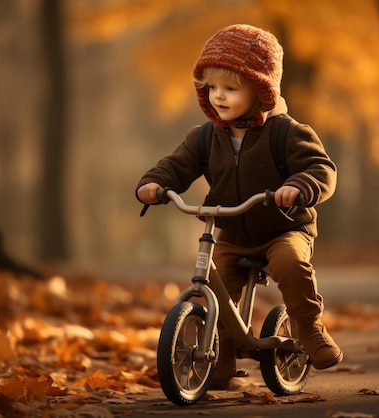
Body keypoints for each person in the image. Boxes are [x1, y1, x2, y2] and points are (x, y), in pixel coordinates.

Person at [136, 24, 342, 389]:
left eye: (231, 88)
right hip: (230, 230)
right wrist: (155, 184)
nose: (219, 96)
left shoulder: (286, 132)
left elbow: (321, 169)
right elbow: (178, 164)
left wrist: (299, 187)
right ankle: (220, 358)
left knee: (291, 264)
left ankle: (309, 329)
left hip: (283, 228)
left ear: (260, 89)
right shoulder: (205, 136)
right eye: (212, 87)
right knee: (217, 285)